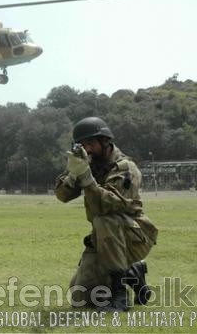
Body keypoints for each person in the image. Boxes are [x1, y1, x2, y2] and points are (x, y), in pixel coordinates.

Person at [54, 117, 158, 311]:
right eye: (83, 145)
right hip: (105, 239)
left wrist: (86, 177)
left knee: (104, 219)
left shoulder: (126, 168)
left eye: (91, 143)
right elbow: (62, 196)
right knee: (80, 297)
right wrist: (74, 173)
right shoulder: (89, 163)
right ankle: (132, 272)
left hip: (133, 237)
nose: (88, 149)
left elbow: (109, 206)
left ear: (105, 141)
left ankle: (120, 294)